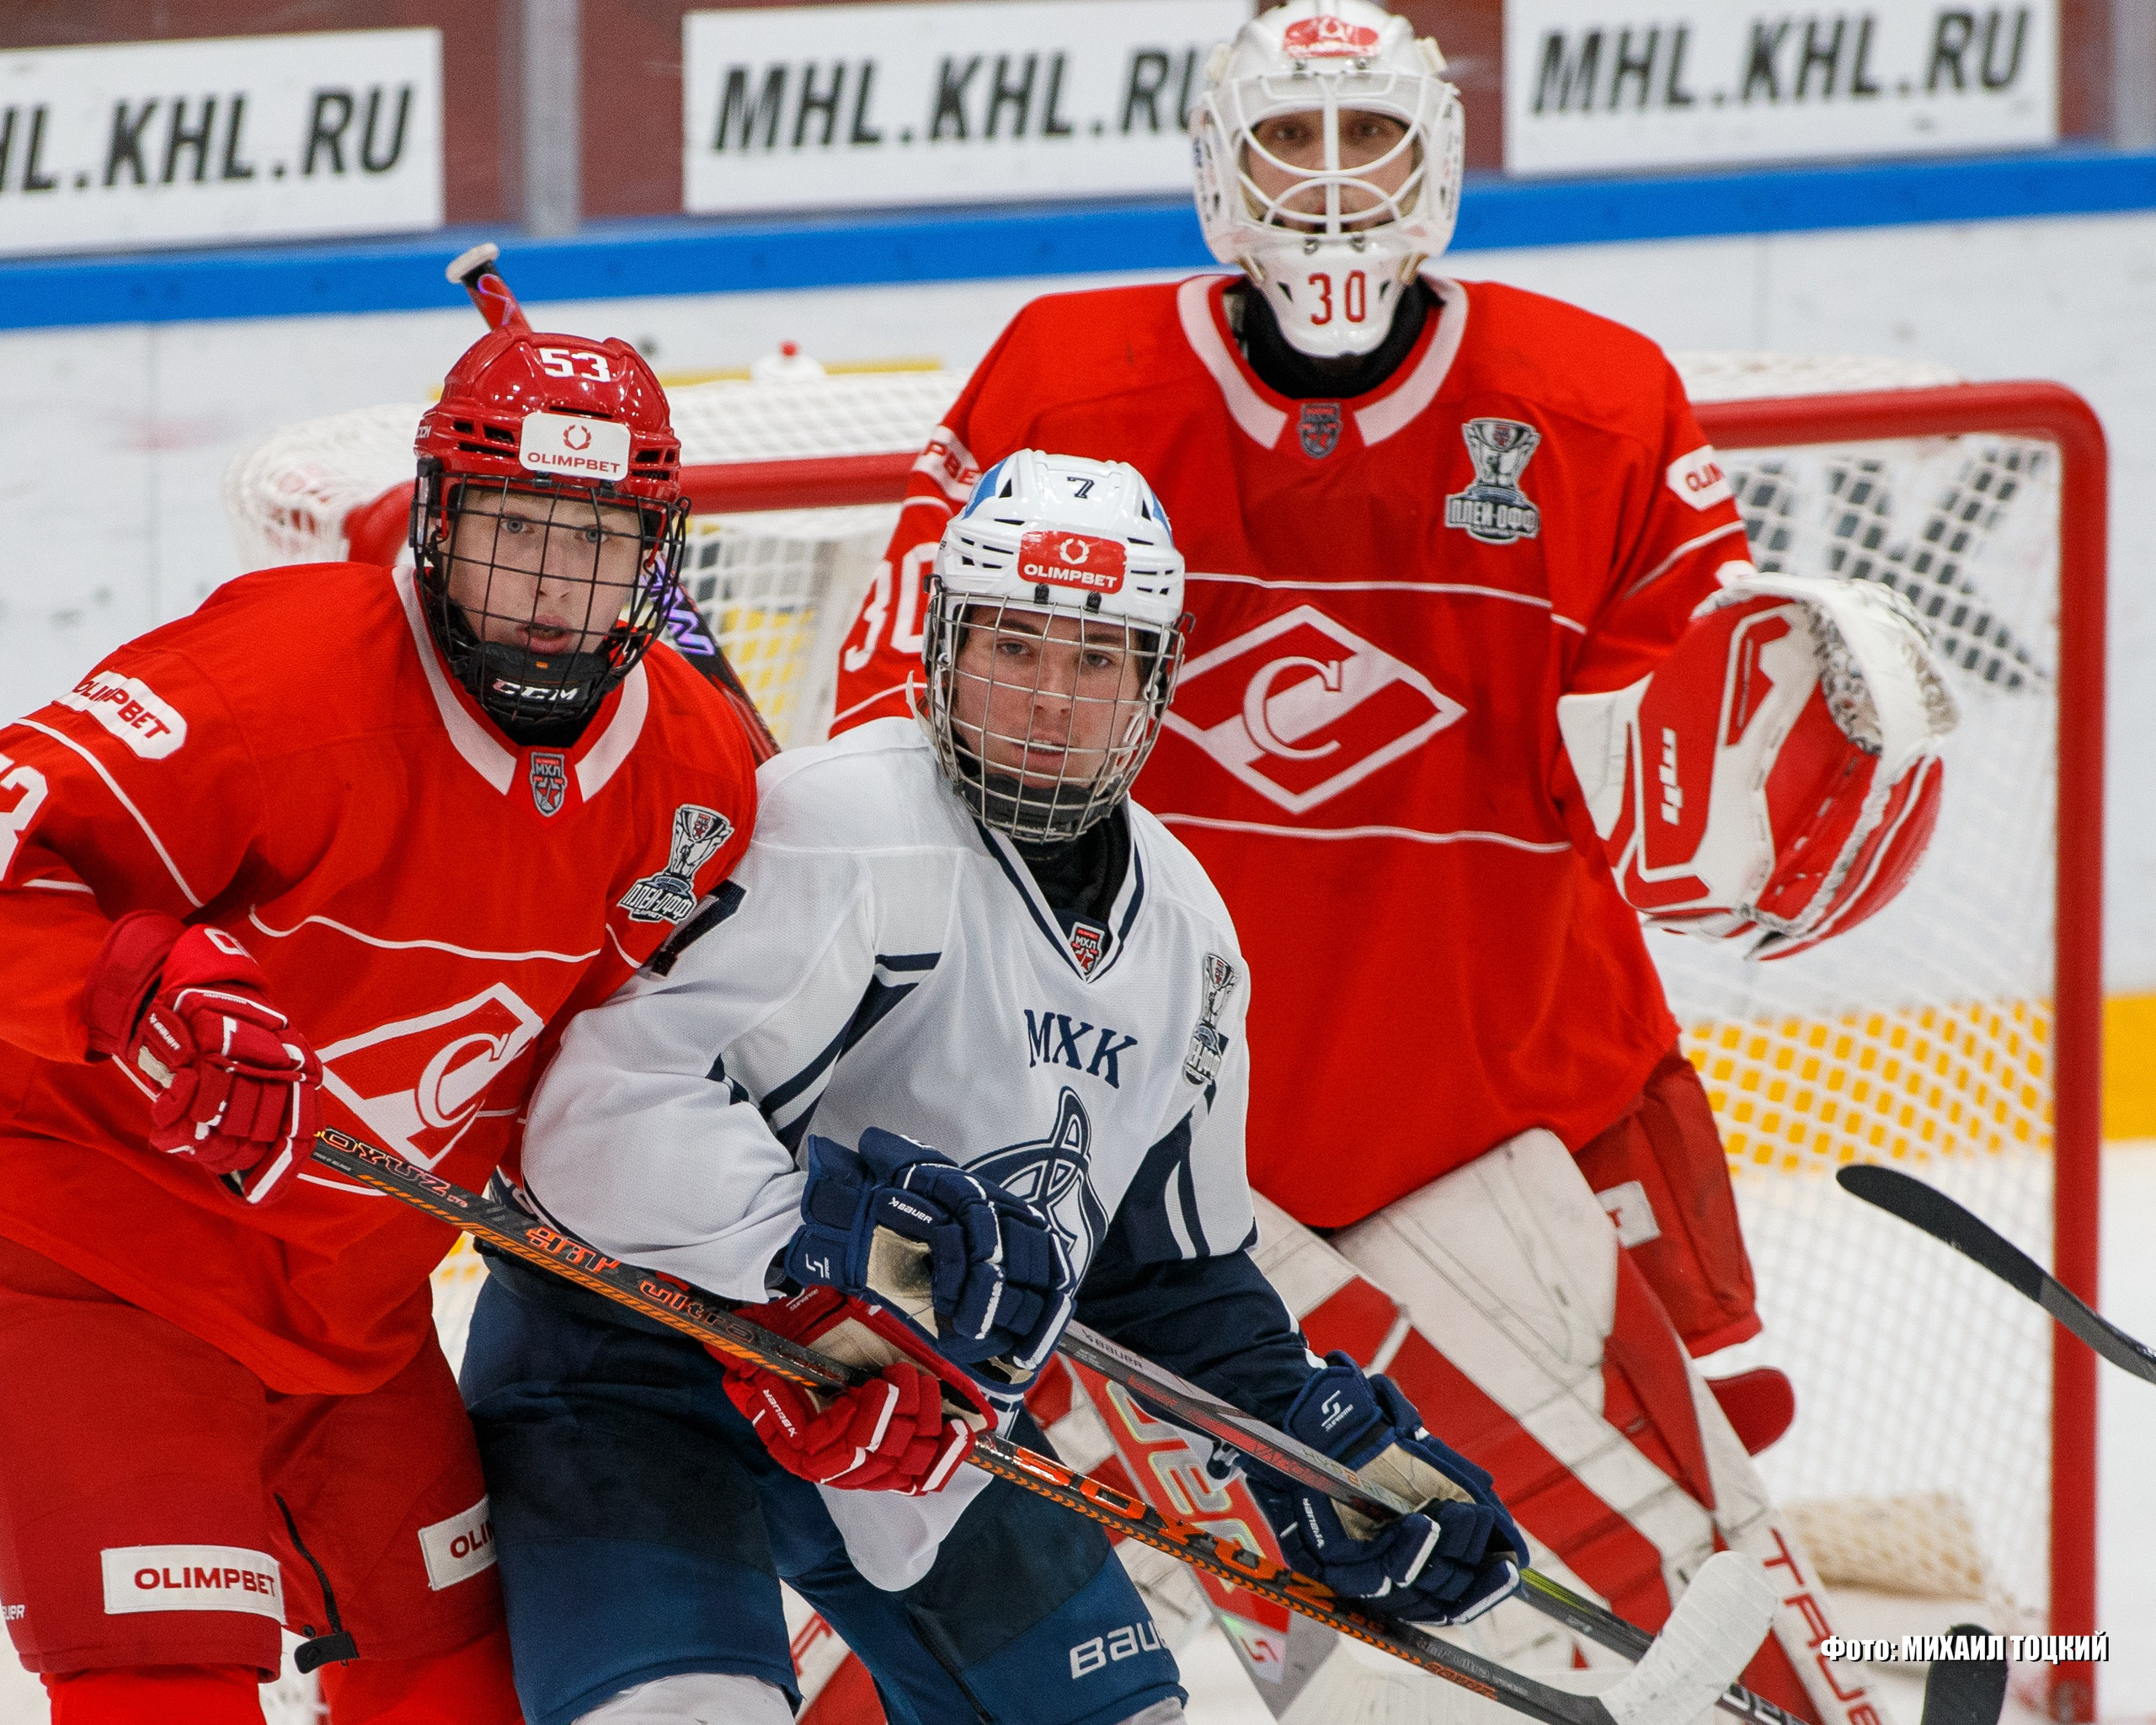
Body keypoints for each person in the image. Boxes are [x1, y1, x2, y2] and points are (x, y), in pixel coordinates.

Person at [826, 3, 1958, 1719]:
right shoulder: (1063, 390)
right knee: (956, 1654)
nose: (1334, 187)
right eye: (1293, 140)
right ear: (1218, 164)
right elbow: (888, 738)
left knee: (1707, 1667)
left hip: (1481, 1140)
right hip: (1124, 1183)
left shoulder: (1594, 408)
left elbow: (1700, 773)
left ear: (1440, 161)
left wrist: (1783, 800)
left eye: (1370, 140)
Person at [457, 451, 1527, 1725]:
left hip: (922, 1419)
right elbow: (599, 1116)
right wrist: (829, 1265)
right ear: (944, 647)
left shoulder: (1189, 936)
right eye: (1013, 646)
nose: (1048, 699)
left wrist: (1311, 1449)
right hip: (634, 1362)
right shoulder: (837, 822)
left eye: (1094, 660)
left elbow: (1167, 1276)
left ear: (1153, 684)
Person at [0, 322, 760, 1722]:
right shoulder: (273, 679)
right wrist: (133, 983)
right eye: (514, 531)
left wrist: (770, 1296)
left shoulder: (699, 778)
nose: (547, 588)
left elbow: (627, 1089)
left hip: (358, 1314)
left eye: (592, 544)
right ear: (436, 522)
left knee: (462, 1692)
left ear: (656, 563)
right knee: (165, 1688)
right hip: (101, 1259)